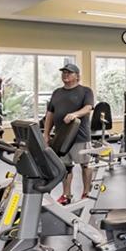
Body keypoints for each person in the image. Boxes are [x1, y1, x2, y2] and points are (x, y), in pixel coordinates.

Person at [43, 63, 95, 205]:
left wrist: (74, 114)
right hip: (61, 137)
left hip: (80, 137)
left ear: (77, 76)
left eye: (69, 72)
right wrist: (46, 134)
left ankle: (86, 193)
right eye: (64, 72)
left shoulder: (85, 91)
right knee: (65, 167)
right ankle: (66, 195)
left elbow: (88, 108)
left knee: (85, 164)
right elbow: (50, 114)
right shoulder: (57, 92)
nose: (65, 75)